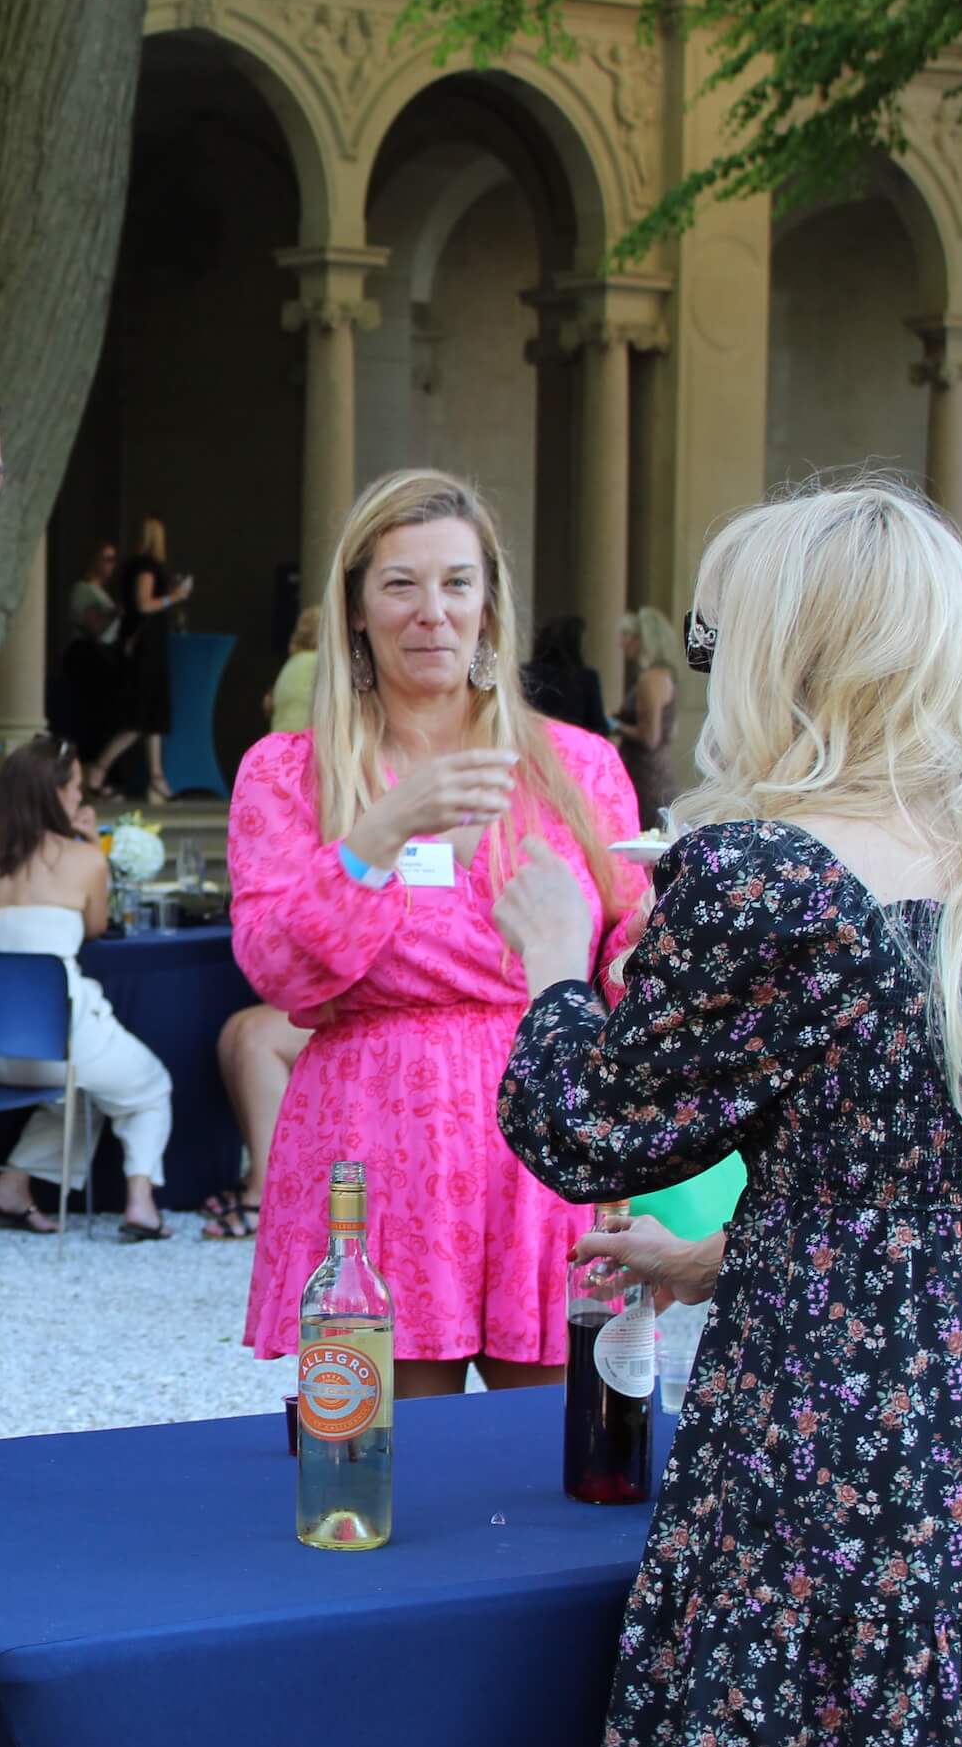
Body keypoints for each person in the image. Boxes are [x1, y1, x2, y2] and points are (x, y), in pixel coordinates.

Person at [495, 480, 962, 1747]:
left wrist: (556, 961)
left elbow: (587, 1131)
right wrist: (722, 1252)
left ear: (786, 653)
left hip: (831, 1434)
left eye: (710, 636)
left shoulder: (768, 878)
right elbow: (929, 1177)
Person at [225, 468, 647, 1400]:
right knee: (386, 1459)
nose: (432, 612)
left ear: (490, 605)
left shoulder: (578, 766)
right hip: (372, 1131)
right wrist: (381, 830)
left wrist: (649, 938)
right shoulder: (290, 772)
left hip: (544, 1126)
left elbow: (630, 967)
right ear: (358, 609)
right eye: (400, 584)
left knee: (555, 1450)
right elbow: (276, 967)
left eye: (457, 582)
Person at [0, 737, 174, 1241]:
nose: (82, 796)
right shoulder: (85, 861)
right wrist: (84, 846)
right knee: (149, 1087)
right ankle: (141, 1204)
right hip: (60, 1040)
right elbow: (96, 927)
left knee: (75, 1095)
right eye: (77, 787)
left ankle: (10, 1188)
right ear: (56, 794)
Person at [87, 515, 189, 800]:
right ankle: (99, 769)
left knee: (152, 717)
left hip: (145, 647)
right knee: (139, 718)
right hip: (145, 651)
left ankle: (157, 777)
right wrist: (174, 597)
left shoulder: (131, 566)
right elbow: (144, 604)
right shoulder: (147, 566)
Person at [196, 1004, 314, 1239]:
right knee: (237, 1028)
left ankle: (270, 1197)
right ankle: (259, 1176)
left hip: (396, 1014)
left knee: (259, 1038)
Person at [612, 605, 684, 832]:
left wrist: (613, 725)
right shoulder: (664, 675)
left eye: (627, 636)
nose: (622, 643)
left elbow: (650, 737)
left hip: (645, 776)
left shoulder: (650, 679)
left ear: (641, 639)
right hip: (653, 773)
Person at [62, 541, 127, 761]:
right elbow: (92, 627)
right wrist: (114, 613)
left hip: (103, 656)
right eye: (106, 559)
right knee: (89, 715)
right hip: (87, 658)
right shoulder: (83, 589)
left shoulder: (101, 591)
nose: (111, 565)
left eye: (113, 560)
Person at [521, 615, 610, 737]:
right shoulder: (586, 678)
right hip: (575, 747)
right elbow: (598, 727)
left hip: (535, 744)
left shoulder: (526, 673)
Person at [263, 605, 322, 734]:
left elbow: (269, 703)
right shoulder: (319, 662)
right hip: (303, 742)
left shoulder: (290, 663)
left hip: (278, 741)